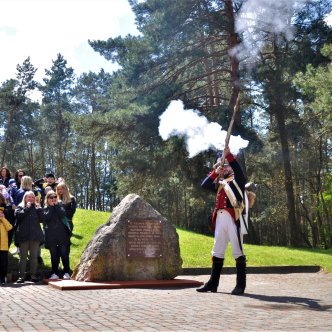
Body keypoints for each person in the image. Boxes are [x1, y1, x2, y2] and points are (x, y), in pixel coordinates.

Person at [196, 146, 247, 295]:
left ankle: (240, 285)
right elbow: (204, 185)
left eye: (224, 166)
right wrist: (215, 173)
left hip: (233, 218)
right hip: (219, 219)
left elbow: (239, 172)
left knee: (238, 251)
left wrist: (229, 155)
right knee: (217, 251)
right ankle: (213, 283)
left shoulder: (237, 180)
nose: (223, 168)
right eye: (221, 165)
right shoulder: (220, 183)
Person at [14, 191, 44, 283]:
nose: (31, 199)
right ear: (25, 198)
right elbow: (18, 217)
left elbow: (42, 219)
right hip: (23, 236)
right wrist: (26, 208)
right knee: (23, 257)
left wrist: (39, 209)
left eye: (32, 197)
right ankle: (21, 276)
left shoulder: (37, 207)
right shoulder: (20, 206)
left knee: (34, 257)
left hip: (35, 236)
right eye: (29, 197)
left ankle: (33, 276)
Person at [43, 190, 71, 280]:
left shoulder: (61, 206)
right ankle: (54, 272)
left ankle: (66, 272)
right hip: (51, 236)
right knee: (54, 255)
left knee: (64, 254)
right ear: (47, 199)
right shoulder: (45, 208)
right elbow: (47, 218)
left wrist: (56, 206)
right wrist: (51, 207)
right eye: (51, 197)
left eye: (55, 197)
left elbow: (62, 214)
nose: (54, 199)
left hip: (62, 235)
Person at [0, 193, 13, 285]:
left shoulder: (7, 210)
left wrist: (3, 218)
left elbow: (10, 228)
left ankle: (2, 278)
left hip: (3, 243)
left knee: (3, 263)